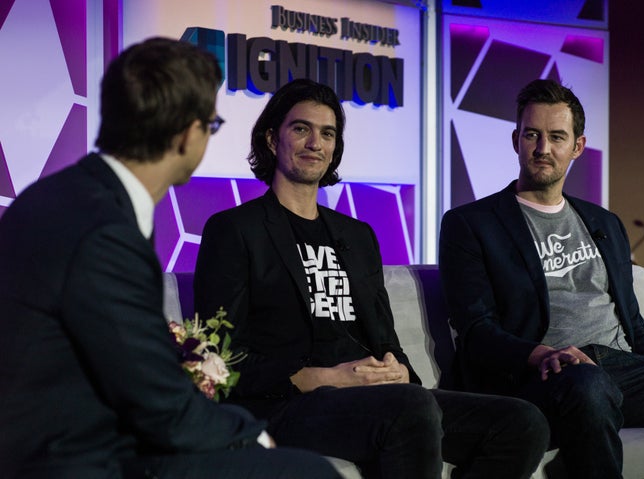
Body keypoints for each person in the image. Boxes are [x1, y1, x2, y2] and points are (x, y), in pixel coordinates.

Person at [0, 38, 341, 479]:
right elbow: (157, 403)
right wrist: (251, 434)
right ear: (187, 133)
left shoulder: (68, 197)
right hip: (70, 456)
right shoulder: (104, 230)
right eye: (211, 124)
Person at [194, 78, 550, 479]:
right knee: (410, 408)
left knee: (522, 422)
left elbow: (384, 339)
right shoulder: (234, 230)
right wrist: (324, 378)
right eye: (301, 129)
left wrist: (399, 370)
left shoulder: (357, 236)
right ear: (273, 140)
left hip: (376, 397)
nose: (315, 143)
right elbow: (218, 355)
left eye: (327, 133)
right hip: (290, 405)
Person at [438, 78, 644, 478]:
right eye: (532, 135)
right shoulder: (472, 224)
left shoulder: (605, 223)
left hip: (624, 367)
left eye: (556, 137)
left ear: (577, 146)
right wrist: (542, 354)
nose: (542, 149)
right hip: (549, 375)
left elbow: (633, 324)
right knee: (587, 385)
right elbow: (476, 330)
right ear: (516, 139)